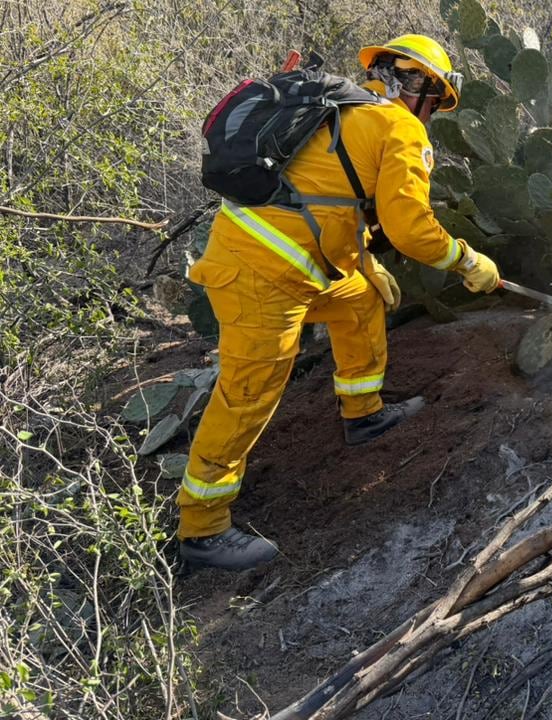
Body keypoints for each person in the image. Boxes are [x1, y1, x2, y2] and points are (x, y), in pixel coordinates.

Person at [177, 35, 499, 571]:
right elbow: (411, 230)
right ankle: (202, 528)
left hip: (284, 260)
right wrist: (467, 261)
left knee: (361, 299)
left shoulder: (345, 106)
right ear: (420, 86)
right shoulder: (399, 126)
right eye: (436, 101)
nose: (433, 113)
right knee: (248, 393)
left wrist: (364, 259)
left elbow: (326, 193)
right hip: (262, 274)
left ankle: (363, 414)